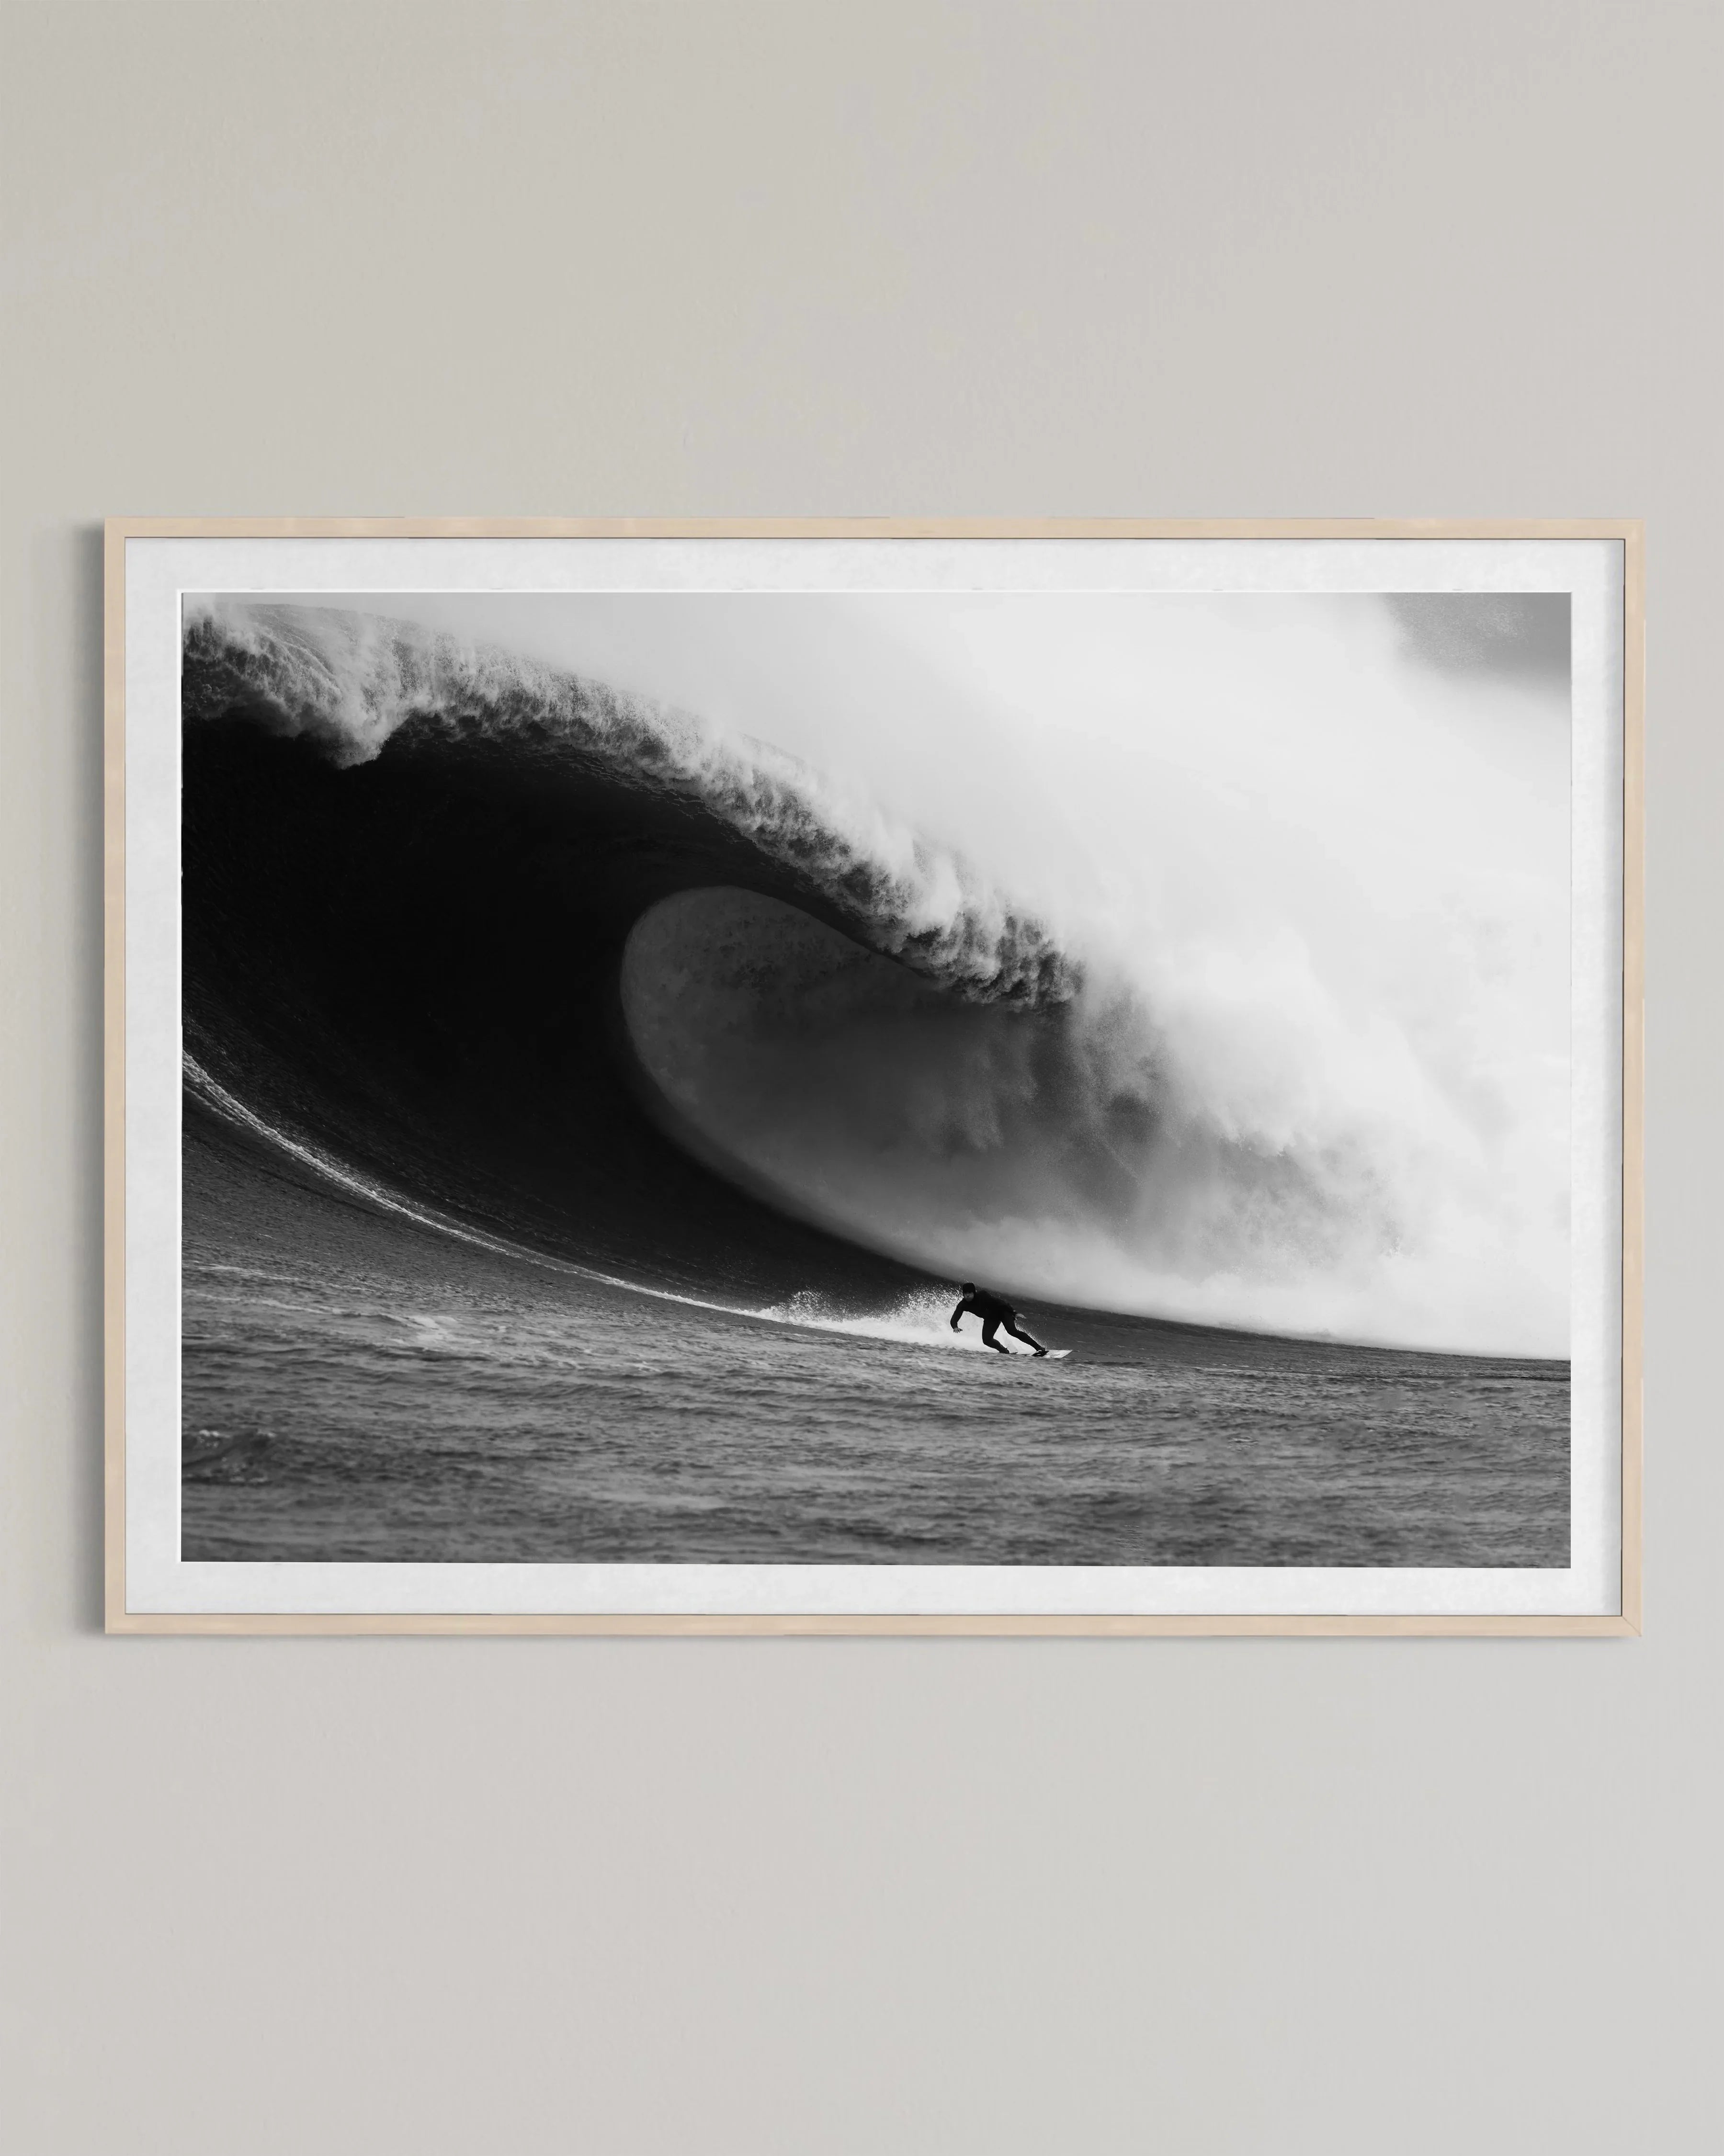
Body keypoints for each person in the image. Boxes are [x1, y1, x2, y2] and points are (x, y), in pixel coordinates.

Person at [949, 1282, 1048, 1356]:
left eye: (970, 1293)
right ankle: (1004, 1351)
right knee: (987, 1340)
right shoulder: (963, 1305)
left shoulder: (982, 1295)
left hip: (1002, 1312)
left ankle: (1039, 1348)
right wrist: (955, 1327)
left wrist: (1014, 1313)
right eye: (965, 1293)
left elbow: (1000, 1303)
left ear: (974, 1292)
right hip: (991, 1319)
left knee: (1012, 1332)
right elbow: (954, 1318)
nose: (967, 1295)